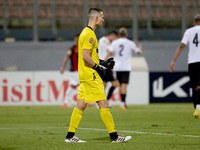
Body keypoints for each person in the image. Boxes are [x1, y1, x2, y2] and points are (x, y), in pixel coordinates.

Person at [64, 8, 132, 143]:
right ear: (95, 18)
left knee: (81, 105)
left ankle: (70, 136)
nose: (103, 19)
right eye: (102, 17)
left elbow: (89, 56)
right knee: (103, 103)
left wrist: (103, 63)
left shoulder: (85, 32)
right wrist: (98, 68)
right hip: (91, 75)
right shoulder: (89, 35)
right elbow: (85, 57)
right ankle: (114, 136)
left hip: (84, 75)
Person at [170, 14, 200, 119]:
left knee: (194, 86)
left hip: (192, 62)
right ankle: (198, 108)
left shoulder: (189, 31)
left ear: (194, 22)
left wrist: (173, 60)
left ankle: (196, 108)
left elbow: (182, 45)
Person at [105, 27, 142, 110]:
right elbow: (138, 52)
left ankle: (108, 101)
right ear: (126, 34)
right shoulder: (130, 43)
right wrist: (140, 49)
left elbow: (110, 52)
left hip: (117, 67)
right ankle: (122, 104)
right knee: (124, 86)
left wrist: (104, 60)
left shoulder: (115, 43)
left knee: (115, 84)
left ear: (118, 35)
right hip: (126, 67)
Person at [98, 31, 119, 107]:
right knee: (114, 83)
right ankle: (104, 102)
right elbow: (110, 51)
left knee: (104, 85)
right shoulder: (105, 41)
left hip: (104, 66)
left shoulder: (102, 40)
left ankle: (103, 102)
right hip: (105, 66)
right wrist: (106, 60)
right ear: (112, 36)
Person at [60, 34, 80, 108]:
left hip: (80, 71)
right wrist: (63, 67)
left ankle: (65, 101)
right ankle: (86, 101)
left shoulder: (83, 48)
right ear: (75, 39)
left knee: (73, 86)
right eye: (77, 38)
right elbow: (66, 58)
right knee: (82, 85)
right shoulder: (72, 48)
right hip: (75, 70)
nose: (78, 39)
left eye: (79, 38)